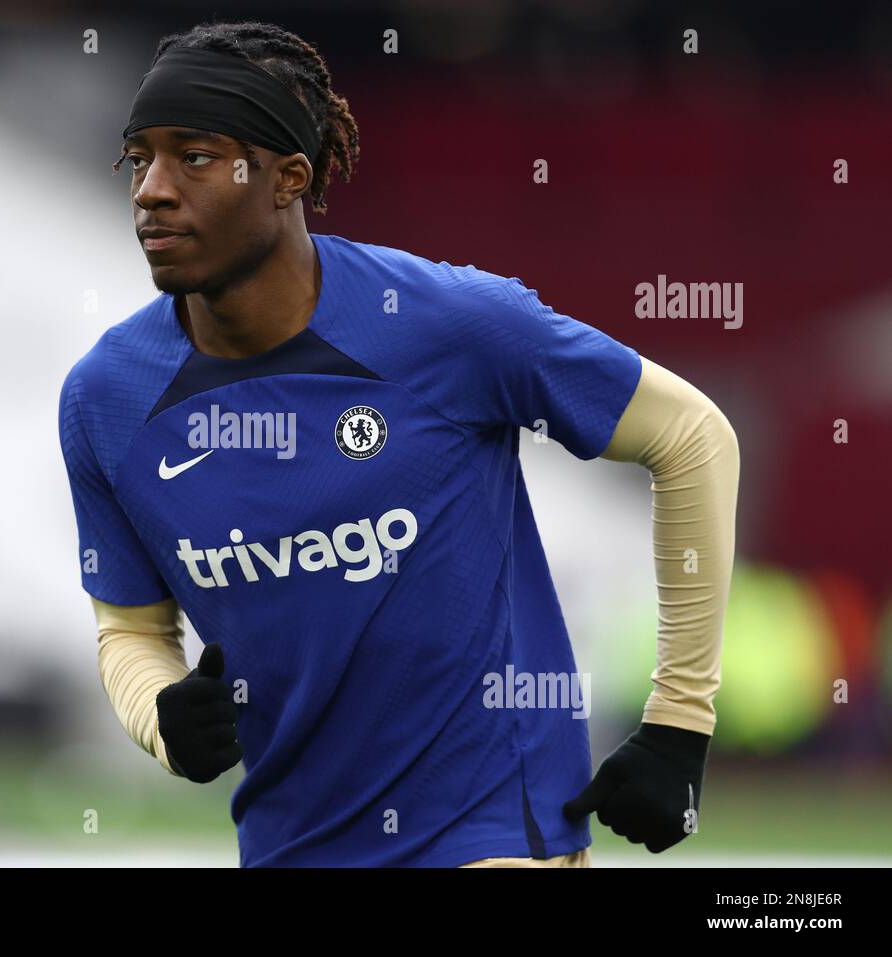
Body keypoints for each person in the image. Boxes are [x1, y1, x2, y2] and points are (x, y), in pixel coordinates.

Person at [58, 20, 739, 867]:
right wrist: (164, 714)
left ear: (287, 178)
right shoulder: (106, 398)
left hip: (490, 839)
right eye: (139, 158)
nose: (151, 189)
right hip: (288, 844)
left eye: (194, 157)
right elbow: (127, 628)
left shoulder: (450, 325)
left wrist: (680, 723)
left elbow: (692, 434)